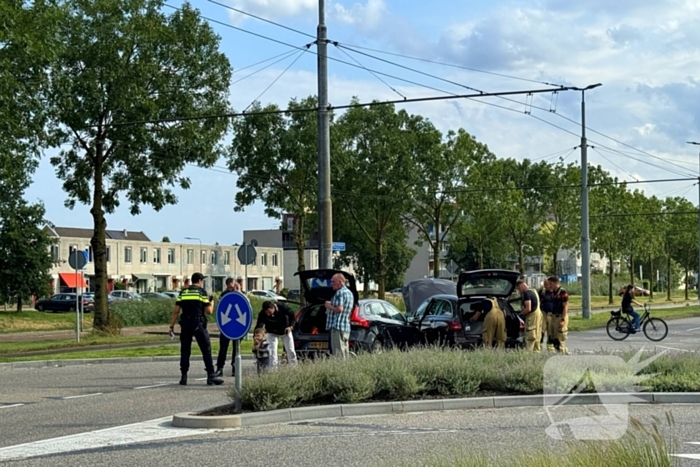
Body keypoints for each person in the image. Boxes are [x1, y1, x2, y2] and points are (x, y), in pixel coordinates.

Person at [168, 272, 223, 386]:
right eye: (202, 280)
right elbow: (209, 311)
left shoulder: (183, 292)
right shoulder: (201, 292)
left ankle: (184, 376)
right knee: (205, 349)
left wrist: (171, 326)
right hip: (198, 324)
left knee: (185, 350)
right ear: (199, 281)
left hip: (185, 324)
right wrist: (212, 302)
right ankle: (210, 376)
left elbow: (176, 311)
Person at [254, 300, 297, 369]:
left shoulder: (282, 307)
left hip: (285, 330)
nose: (268, 314)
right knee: (272, 352)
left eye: (269, 312)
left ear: (273, 308)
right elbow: (259, 325)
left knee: (290, 350)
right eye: (266, 313)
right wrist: (256, 336)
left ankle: (294, 368)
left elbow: (292, 316)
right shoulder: (262, 314)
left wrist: (291, 326)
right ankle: (273, 371)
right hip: (272, 332)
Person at [214, 277, 239, 378]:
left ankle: (235, 368)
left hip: (237, 326)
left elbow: (244, 304)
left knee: (236, 349)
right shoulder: (224, 295)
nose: (230, 290)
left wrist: (239, 291)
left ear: (235, 285)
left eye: (232, 288)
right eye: (229, 288)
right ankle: (220, 368)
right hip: (226, 326)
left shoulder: (239, 293)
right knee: (223, 348)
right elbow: (221, 309)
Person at [325, 273, 354, 360]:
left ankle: (340, 372)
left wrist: (328, 306)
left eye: (333, 282)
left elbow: (339, 309)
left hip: (337, 326)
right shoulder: (349, 293)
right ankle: (346, 370)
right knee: (345, 352)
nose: (331, 284)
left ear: (340, 282)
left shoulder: (339, 293)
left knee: (338, 354)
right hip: (345, 327)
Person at [517, 279, 543, 353]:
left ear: (521, 286)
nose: (519, 291)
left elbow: (528, 308)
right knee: (537, 336)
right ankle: (536, 353)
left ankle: (528, 354)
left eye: (519, 289)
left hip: (532, 317)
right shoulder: (533, 291)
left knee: (530, 337)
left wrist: (520, 314)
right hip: (538, 316)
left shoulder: (526, 294)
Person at [549, 275, 569, 354]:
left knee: (560, 339)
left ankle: (563, 358)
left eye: (551, 284)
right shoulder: (554, 292)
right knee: (555, 340)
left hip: (560, 316)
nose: (550, 285)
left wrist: (563, 320)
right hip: (554, 317)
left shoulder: (562, 292)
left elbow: (566, 306)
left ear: (556, 283)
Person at [539, 278, 557, 352]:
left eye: (548, 284)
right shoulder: (542, 292)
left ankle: (550, 347)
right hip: (543, 314)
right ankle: (539, 346)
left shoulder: (555, 293)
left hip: (551, 314)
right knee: (541, 331)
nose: (547, 286)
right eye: (545, 284)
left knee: (550, 332)